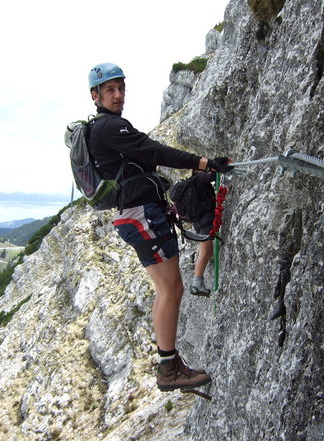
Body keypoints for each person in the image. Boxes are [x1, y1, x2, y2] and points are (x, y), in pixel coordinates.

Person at [86, 62, 232, 392]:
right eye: (110, 90)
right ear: (95, 96)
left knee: (165, 288)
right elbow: (154, 151)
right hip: (142, 214)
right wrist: (205, 163)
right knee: (171, 289)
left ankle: (169, 362)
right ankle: (168, 368)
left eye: (121, 87)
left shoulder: (105, 129)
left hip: (137, 214)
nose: (118, 94)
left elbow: (146, 156)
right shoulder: (109, 128)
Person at [188, 170, 217, 297]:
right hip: (206, 220)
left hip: (198, 221)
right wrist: (214, 169)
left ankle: (199, 279)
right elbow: (213, 176)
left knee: (207, 251)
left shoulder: (191, 183)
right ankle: (197, 283)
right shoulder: (199, 178)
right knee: (204, 252)